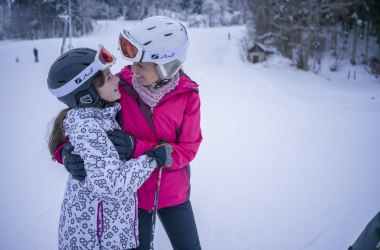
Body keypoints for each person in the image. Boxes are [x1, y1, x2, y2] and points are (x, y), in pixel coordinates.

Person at [58, 16, 203, 249]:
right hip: (132, 197)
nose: (132, 69)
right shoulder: (120, 87)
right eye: (132, 61)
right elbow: (83, 122)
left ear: (167, 65)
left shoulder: (187, 96)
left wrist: (138, 148)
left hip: (173, 194)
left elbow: (188, 149)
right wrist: (63, 152)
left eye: (142, 65)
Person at [47, 46, 173, 249]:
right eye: (108, 78)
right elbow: (113, 187)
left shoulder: (100, 116)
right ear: (86, 96)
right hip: (97, 239)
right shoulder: (89, 127)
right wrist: (152, 158)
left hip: (105, 232)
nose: (117, 80)